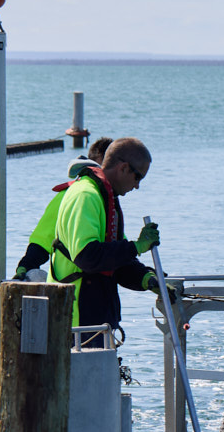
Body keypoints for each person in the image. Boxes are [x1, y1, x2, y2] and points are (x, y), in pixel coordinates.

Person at [50, 136, 163, 333]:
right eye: (138, 177)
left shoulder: (106, 198)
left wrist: (148, 279)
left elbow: (116, 261)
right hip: (75, 321)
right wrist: (136, 247)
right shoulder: (86, 195)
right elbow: (87, 256)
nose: (137, 186)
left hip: (96, 319)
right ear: (124, 168)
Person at [12, 136, 110, 278]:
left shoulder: (108, 202)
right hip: (68, 290)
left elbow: (117, 246)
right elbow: (43, 241)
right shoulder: (72, 194)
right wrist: (25, 267)